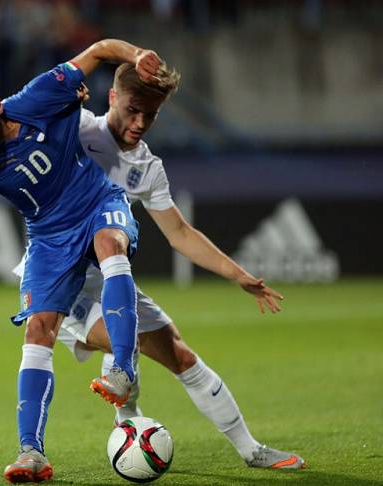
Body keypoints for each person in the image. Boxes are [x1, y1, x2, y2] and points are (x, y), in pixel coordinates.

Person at [0, 38, 173, 483]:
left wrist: (136, 56)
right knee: (38, 330)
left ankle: (123, 371)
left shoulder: (37, 96)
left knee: (110, 244)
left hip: (96, 201)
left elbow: (98, 50)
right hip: (48, 236)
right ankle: (31, 452)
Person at [45, 62, 306, 470]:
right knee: (123, 338)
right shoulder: (78, 130)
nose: (140, 122)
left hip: (110, 278)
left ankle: (250, 450)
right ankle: (127, 424)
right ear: (111, 97)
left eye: (150, 114)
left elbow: (180, 234)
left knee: (181, 355)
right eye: (133, 109)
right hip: (59, 281)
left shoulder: (148, 168)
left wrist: (238, 274)